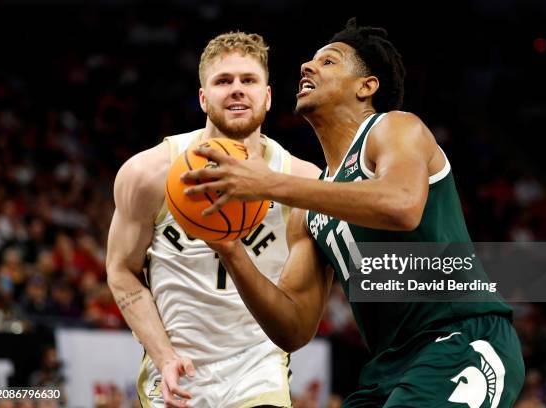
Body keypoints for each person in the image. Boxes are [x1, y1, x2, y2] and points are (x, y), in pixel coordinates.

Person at [182, 19, 525, 407]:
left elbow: (400, 205)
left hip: (462, 339)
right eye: (309, 62)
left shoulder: (393, 129)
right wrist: (231, 251)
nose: (306, 68)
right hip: (388, 367)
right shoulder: (307, 209)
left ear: (367, 86)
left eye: (328, 62)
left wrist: (267, 183)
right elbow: (293, 328)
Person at [105, 31, 319, 408]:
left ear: (267, 98)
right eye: (223, 81)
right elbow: (121, 270)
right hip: (175, 371)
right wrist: (163, 356)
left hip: (258, 368)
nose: (237, 90)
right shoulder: (149, 173)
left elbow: (300, 310)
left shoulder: (301, 183)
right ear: (204, 98)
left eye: (248, 80)